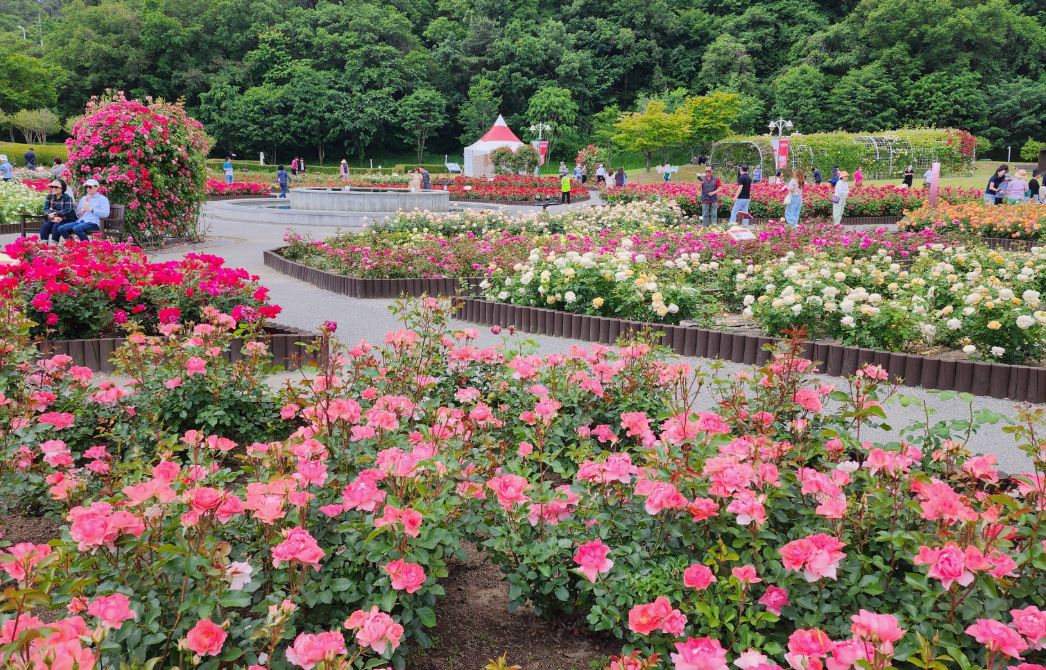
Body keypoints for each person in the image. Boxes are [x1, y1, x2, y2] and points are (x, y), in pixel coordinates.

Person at [39, 179, 76, 243]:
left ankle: (54, 247)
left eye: (56, 187)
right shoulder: (50, 196)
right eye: (52, 187)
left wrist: (56, 214)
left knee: (56, 226)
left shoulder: (67, 197)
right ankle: (44, 246)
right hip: (55, 219)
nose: (53, 189)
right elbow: (46, 208)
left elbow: (68, 209)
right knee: (45, 226)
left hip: (67, 220)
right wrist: (53, 216)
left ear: (62, 188)